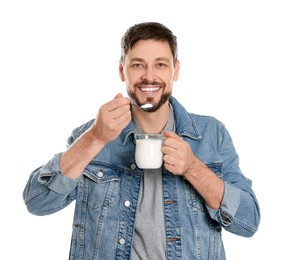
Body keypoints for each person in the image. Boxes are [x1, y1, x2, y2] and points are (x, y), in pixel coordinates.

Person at [23, 22, 260, 260]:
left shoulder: (211, 134)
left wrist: (193, 168)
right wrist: (95, 138)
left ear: (175, 71)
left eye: (160, 64)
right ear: (121, 71)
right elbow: (38, 202)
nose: (149, 76)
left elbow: (248, 222)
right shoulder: (92, 134)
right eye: (137, 65)